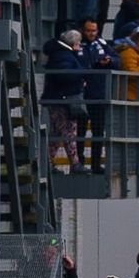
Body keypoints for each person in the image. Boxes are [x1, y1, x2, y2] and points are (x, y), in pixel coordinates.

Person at [77, 17, 116, 170]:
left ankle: (95, 164)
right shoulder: (76, 44)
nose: (92, 33)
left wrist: (110, 61)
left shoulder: (101, 44)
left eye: (94, 30)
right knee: (79, 131)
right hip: (80, 95)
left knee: (98, 131)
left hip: (98, 95)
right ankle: (79, 163)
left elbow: (117, 60)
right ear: (82, 30)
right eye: (89, 30)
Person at [43, 28, 85, 171]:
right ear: (74, 43)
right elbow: (65, 75)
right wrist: (81, 76)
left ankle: (48, 163)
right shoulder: (64, 55)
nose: (80, 45)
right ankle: (74, 163)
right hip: (63, 99)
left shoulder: (59, 53)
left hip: (58, 98)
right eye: (79, 42)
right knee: (68, 131)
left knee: (57, 132)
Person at [113, 24, 139, 101]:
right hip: (127, 97)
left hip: (133, 96)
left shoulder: (137, 53)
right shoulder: (128, 53)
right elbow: (130, 72)